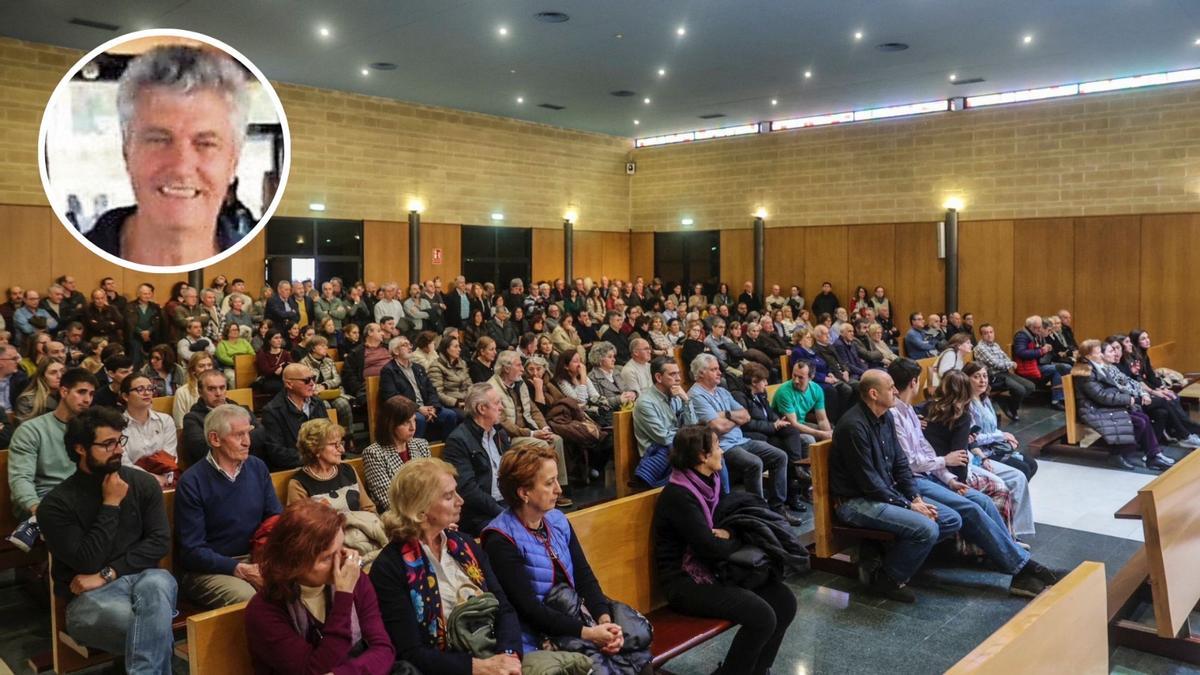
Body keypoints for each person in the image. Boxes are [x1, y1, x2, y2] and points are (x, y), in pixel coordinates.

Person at [886, 362, 1059, 595]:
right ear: (914, 382)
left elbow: (926, 451)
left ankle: (1012, 556)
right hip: (912, 480)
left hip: (931, 473)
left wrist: (949, 478)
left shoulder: (910, 411)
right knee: (970, 508)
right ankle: (1021, 567)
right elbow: (910, 462)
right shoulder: (896, 414)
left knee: (983, 501)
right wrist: (945, 463)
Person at [482, 441, 651, 672]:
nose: (559, 490)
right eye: (549, 483)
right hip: (537, 634)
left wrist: (604, 620)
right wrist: (589, 633)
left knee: (638, 656)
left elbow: (584, 577)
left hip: (576, 617)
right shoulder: (500, 539)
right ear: (524, 493)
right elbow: (529, 610)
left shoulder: (557, 520)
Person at [38, 407, 176, 674]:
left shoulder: (142, 483)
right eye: (108, 444)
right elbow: (87, 561)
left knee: (158, 582)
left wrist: (108, 573)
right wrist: (110, 504)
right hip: (90, 599)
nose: (120, 450)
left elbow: (160, 542)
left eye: (120, 440)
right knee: (150, 626)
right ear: (80, 448)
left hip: (144, 581)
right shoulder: (56, 505)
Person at [85, 45, 253, 266]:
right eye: (158, 140)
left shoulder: (264, 271)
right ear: (127, 152)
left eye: (205, 144)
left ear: (233, 162)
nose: (181, 166)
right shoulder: (59, 263)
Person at [651, 425, 797, 675]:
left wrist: (730, 533)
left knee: (784, 602)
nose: (722, 451)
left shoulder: (712, 481)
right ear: (702, 456)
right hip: (684, 582)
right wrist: (737, 540)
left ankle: (758, 671)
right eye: (717, 446)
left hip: (714, 570)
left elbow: (727, 521)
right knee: (762, 617)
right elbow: (709, 547)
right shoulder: (679, 495)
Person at [368, 458, 523, 674]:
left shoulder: (465, 544)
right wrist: (479, 667)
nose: (461, 500)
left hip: (496, 656)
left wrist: (508, 655)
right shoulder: (389, 568)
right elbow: (410, 652)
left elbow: (504, 608)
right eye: (449, 496)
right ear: (420, 510)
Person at [830, 370, 963, 602]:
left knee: (951, 519)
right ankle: (887, 580)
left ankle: (888, 557)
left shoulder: (886, 417)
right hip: (855, 501)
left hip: (884, 493)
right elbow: (869, 483)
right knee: (927, 529)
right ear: (874, 394)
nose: (895, 391)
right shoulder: (853, 426)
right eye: (890, 387)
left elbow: (901, 464)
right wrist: (909, 506)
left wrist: (915, 497)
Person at [245, 499, 395, 674]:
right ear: (294, 563)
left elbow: (384, 649)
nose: (342, 561)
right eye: (328, 557)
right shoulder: (264, 611)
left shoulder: (354, 578)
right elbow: (313, 670)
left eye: (341, 547)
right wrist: (343, 598)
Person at [176, 404, 283, 608]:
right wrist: (239, 568)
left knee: (303, 581)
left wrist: (266, 560)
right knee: (250, 600)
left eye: (248, 433)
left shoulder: (257, 467)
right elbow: (192, 550)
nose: (247, 441)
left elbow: (275, 518)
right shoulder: (192, 481)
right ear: (215, 439)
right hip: (211, 569)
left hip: (257, 557)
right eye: (239, 435)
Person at [689, 354, 798, 524]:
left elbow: (746, 416)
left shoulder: (723, 391)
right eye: (714, 369)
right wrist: (735, 419)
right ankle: (759, 512)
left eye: (718, 368)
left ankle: (777, 507)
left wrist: (726, 414)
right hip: (722, 446)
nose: (719, 373)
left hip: (741, 440)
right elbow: (718, 427)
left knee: (780, 456)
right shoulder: (696, 395)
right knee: (754, 463)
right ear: (701, 373)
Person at [7, 368, 97, 551]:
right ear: (64, 392)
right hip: (45, 498)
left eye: (91, 394)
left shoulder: (92, 429)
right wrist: (36, 508)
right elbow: (20, 477)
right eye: (81, 392)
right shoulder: (31, 430)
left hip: (81, 496)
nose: (87, 399)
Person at [487, 350, 571, 506]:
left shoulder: (520, 383)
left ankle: (557, 488)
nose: (522, 369)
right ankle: (540, 490)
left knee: (556, 439)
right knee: (542, 445)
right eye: (519, 365)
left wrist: (544, 427)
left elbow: (533, 410)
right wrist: (532, 434)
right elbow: (503, 422)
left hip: (529, 430)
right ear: (506, 368)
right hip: (510, 437)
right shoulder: (492, 388)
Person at [961, 363, 1036, 538]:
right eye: (976, 376)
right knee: (1021, 470)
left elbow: (992, 428)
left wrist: (1003, 437)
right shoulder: (967, 404)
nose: (982, 380)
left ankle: (1011, 508)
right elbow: (974, 437)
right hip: (981, 451)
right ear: (967, 379)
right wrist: (1000, 435)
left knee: (1031, 464)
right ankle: (1012, 524)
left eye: (984, 376)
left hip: (993, 446)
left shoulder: (985, 399)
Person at [1073, 340, 1172, 471]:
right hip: (1093, 409)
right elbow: (1101, 396)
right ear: (1088, 356)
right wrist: (1128, 399)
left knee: (1143, 418)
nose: (1101, 355)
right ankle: (1117, 454)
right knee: (1139, 422)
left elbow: (1114, 388)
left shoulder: (1097, 367)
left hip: (1105, 406)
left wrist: (1131, 397)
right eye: (1098, 353)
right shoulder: (1085, 372)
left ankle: (1153, 455)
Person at [733, 363, 809, 513]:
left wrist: (778, 421)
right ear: (754, 381)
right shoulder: (739, 396)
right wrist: (772, 426)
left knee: (791, 430)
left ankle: (797, 468)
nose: (767, 384)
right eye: (764, 380)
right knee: (784, 451)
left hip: (769, 430)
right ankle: (789, 496)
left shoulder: (761, 394)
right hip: (755, 434)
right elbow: (746, 423)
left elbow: (770, 412)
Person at [442, 383, 513, 536]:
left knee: (545, 518)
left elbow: (514, 471)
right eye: (497, 403)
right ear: (481, 409)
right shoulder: (458, 440)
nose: (501, 407)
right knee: (515, 531)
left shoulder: (500, 434)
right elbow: (468, 490)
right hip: (479, 514)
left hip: (506, 503)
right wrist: (503, 512)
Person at [380, 335, 460, 440]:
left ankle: (448, 447)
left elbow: (431, 390)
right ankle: (414, 449)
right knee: (419, 419)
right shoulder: (388, 370)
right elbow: (392, 397)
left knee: (450, 415)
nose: (410, 347)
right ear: (395, 351)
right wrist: (418, 408)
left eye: (410, 344)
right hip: (405, 410)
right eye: (405, 345)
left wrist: (433, 408)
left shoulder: (418, 368)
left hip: (427, 407)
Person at [362, 395, 433, 511]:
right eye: (406, 423)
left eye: (414, 420)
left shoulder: (422, 445)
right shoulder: (374, 453)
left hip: (427, 511)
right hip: (397, 516)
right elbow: (389, 500)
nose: (413, 428)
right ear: (390, 425)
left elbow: (432, 487)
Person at [258, 363, 330, 470]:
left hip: (322, 462)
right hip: (294, 468)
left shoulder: (317, 402)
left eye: (313, 378)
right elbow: (277, 453)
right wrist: (314, 457)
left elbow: (329, 434)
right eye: (306, 380)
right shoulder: (272, 411)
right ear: (289, 384)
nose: (312, 383)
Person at [119, 374, 179, 487]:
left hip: (165, 480)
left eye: (150, 388)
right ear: (125, 396)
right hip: (132, 483)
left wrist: (165, 479)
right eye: (140, 389)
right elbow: (124, 463)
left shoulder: (165, 420)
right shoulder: (117, 426)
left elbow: (169, 458)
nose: (147, 393)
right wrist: (151, 479)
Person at [973, 323, 1034, 421]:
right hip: (993, 377)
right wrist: (1011, 364)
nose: (989, 335)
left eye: (991, 332)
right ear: (981, 335)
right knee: (1020, 390)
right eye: (986, 333)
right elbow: (996, 364)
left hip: (1004, 373)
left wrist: (1009, 363)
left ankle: (1007, 403)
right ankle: (1011, 408)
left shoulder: (995, 345)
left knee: (1030, 386)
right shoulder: (980, 348)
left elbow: (1005, 358)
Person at [300, 335, 354, 437]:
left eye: (326, 345)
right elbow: (306, 382)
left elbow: (337, 379)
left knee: (343, 404)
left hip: (331, 393)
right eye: (322, 346)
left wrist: (325, 385)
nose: (326, 348)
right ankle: (329, 437)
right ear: (313, 348)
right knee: (325, 406)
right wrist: (317, 387)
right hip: (315, 395)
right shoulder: (304, 363)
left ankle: (347, 437)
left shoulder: (328, 361)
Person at [1012, 315, 1065, 411]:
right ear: (1030, 326)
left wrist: (1044, 349)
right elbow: (1021, 352)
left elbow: (1036, 351)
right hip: (1027, 369)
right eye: (1037, 327)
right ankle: (1057, 400)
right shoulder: (1022, 336)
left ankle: (1060, 397)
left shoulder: (1033, 335)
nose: (1039, 329)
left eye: (1040, 327)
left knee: (1061, 367)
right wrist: (1041, 351)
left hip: (1035, 365)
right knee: (1059, 368)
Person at [15, 356, 64, 422]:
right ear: (42, 377)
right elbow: (26, 427)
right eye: (53, 373)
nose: (60, 376)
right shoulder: (27, 401)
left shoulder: (71, 396)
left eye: (62, 371)